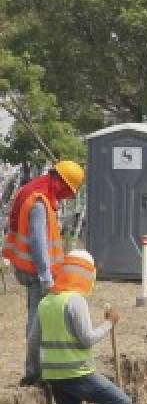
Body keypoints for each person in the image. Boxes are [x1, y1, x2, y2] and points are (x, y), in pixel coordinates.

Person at [3, 160, 85, 385]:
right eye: (68, 192)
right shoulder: (39, 202)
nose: (67, 197)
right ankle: (33, 373)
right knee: (37, 322)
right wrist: (46, 276)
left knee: (37, 319)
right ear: (61, 183)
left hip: (31, 270)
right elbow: (38, 242)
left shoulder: (38, 193)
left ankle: (36, 369)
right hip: (36, 272)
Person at [27, 249, 133, 404]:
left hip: (53, 377)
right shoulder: (75, 301)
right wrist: (109, 323)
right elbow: (87, 340)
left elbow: (32, 342)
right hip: (77, 374)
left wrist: (33, 373)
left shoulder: (46, 301)